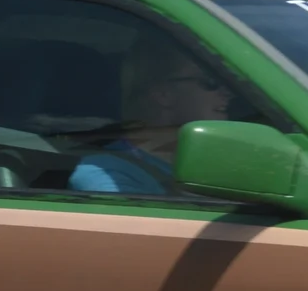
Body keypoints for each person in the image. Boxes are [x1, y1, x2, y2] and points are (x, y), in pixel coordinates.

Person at [70, 40, 236, 194]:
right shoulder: (106, 173)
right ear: (164, 94)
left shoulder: (215, 163)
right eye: (211, 82)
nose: (227, 93)